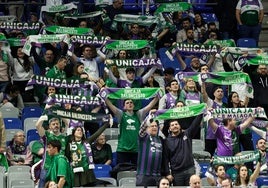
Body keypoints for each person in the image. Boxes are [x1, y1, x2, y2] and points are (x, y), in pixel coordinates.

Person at [105, 96, 159, 165]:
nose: (130, 104)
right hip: (122, 149)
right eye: (127, 103)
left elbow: (150, 105)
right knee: (122, 172)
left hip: (136, 149)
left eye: (131, 102)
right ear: (124, 106)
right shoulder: (121, 115)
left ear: (133, 105)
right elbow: (110, 105)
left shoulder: (139, 114)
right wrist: (105, 95)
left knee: (136, 172)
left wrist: (157, 97)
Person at [162, 114, 203, 186]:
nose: (175, 126)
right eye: (172, 125)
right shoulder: (167, 141)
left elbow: (195, 124)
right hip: (176, 173)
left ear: (180, 126)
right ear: (170, 129)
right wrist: (167, 173)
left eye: (176, 124)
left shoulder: (187, 134)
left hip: (190, 169)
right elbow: (165, 159)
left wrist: (201, 113)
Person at [65, 121, 110, 187]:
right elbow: (67, 157)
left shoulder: (87, 141)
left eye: (81, 131)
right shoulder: (70, 145)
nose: (80, 132)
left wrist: (107, 123)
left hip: (88, 172)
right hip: (76, 172)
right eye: (78, 130)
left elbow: (98, 133)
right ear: (73, 133)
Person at [36, 115, 67, 188]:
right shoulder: (47, 136)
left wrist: (61, 114)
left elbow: (67, 124)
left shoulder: (64, 137)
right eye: (53, 124)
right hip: (47, 167)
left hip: (59, 168)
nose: (56, 125)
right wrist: (42, 119)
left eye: (57, 123)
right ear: (49, 127)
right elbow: (38, 126)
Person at [136, 114, 164, 187]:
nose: (154, 127)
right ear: (147, 128)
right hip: (143, 175)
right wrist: (149, 116)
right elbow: (142, 128)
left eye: (156, 126)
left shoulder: (161, 139)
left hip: (157, 175)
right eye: (152, 126)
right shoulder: (143, 137)